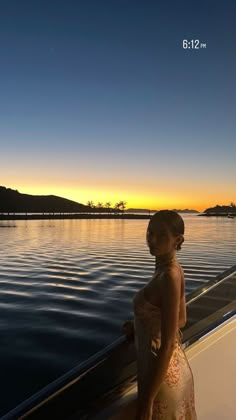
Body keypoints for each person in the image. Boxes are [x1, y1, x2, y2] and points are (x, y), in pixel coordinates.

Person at [122, 210, 197, 419]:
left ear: (178, 240)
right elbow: (180, 320)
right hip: (172, 371)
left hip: (161, 378)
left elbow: (167, 342)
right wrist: (140, 325)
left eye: (162, 235)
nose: (152, 240)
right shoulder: (173, 269)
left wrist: (147, 402)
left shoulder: (168, 277)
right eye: (149, 233)